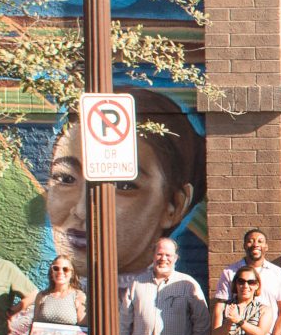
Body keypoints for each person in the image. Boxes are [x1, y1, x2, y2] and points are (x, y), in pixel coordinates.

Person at [44, 87, 204, 278]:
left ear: (174, 205)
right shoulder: (47, 298)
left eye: (123, 185)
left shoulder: (181, 289)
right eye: (66, 179)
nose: (82, 211)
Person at [212, 228, 281, 335]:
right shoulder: (230, 273)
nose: (255, 244)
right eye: (250, 241)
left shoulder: (277, 273)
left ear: (266, 247)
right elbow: (220, 310)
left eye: (260, 241)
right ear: (244, 245)